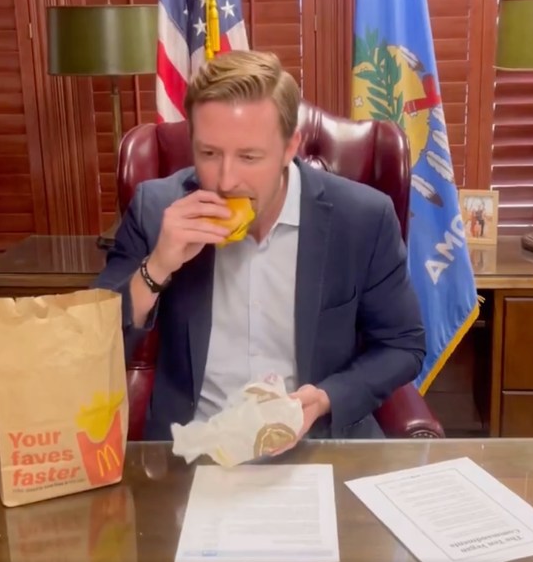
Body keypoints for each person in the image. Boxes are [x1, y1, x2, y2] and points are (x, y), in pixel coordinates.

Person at [93, 50, 425, 446]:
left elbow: (403, 345)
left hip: (317, 442)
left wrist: (326, 399)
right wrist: (157, 266)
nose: (226, 180)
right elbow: (96, 347)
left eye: (249, 156)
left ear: (290, 148)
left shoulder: (363, 218)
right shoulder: (155, 208)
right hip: (193, 450)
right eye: (209, 153)